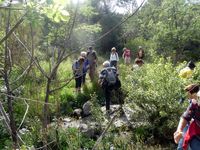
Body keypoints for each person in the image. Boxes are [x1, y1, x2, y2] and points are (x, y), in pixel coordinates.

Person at [174, 84, 200, 150]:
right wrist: (179, 130)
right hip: (195, 131)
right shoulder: (194, 103)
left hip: (193, 125)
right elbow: (185, 116)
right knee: (182, 145)